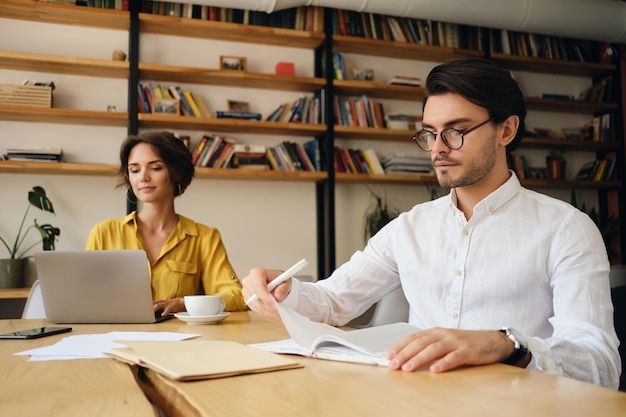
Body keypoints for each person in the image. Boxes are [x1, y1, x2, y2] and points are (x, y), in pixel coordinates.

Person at [241, 58, 621, 389]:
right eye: (430, 133)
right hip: (418, 401)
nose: (438, 147)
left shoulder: (567, 229)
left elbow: (599, 365)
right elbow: (335, 301)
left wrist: (507, 345)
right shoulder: (409, 227)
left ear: (506, 130)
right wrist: (281, 288)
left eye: (456, 131)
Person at [86, 131, 246, 315]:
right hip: (115, 338)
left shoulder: (205, 237)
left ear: (176, 172)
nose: (143, 178)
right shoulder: (103, 233)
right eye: (135, 170)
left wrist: (183, 304)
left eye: (155, 168)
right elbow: (83, 297)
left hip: (182, 339)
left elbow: (236, 296)